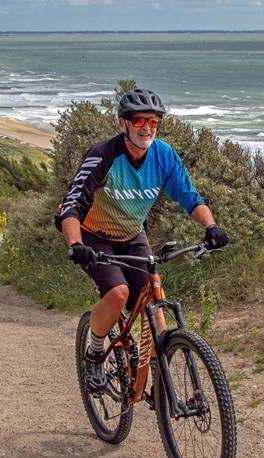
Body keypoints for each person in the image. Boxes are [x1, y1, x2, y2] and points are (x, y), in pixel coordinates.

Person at [55, 88, 229, 396]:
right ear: (123, 124)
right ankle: (95, 353)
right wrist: (75, 244)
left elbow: (189, 197)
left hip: (133, 235)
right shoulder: (103, 156)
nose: (146, 127)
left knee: (155, 303)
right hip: (94, 237)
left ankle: (162, 387)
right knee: (119, 293)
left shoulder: (163, 155)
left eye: (153, 121)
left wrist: (211, 226)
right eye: (138, 120)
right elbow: (71, 205)